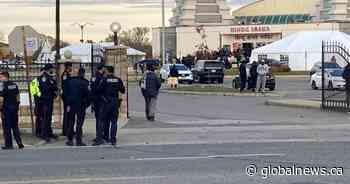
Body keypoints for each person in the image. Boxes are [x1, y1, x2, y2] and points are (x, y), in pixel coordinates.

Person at [93, 66, 125, 146]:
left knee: (101, 120)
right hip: (115, 102)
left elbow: (98, 90)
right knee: (114, 122)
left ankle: (100, 139)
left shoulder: (104, 79)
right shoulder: (118, 79)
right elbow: (123, 90)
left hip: (106, 102)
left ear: (107, 71)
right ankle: (113, 139)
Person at [64, 67, 90, 146]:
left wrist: (67, 103)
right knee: (79, 123)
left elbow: (65, 93)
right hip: (81, 105)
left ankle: (70, 140)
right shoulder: (85, 82)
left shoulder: (70, 81)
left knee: (71, 122)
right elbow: (88, 95)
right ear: (83, 74)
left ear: (78, 73)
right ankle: (78, 141)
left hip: (71, 104)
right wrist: (86, 104)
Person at [0, 71, 24, 150]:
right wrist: (17, 106)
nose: (0, 79)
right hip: (14, 108)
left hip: (6, 110)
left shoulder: (4, 86)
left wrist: (0, 108)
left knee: (7, 127)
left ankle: (9, 145)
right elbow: (18, 96)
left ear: (5, 77)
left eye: (1, 77)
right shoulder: (14, 85)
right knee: (15, 127)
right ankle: (19, 143)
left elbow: (1, 99)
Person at [38, 64, 59, 142]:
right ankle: (44, 134)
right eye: (51, 69)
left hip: (49, 100)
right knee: (45, 118)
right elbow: (45, 88)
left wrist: (53, 86)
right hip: (45, 100)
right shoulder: (43, 77)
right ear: (48, 69)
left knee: (49, 117)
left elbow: (54, 85)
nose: (52, 70)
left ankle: (49, 132)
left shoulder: (49, 77)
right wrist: (53, 86)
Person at [91, 64, 105, 142]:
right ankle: (100, 137)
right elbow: (102, 89)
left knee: (97, 119)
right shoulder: (101, 78)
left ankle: (98, 135)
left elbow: (91, 88)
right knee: (100, 119)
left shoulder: (93, 77)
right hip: (100, 100)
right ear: (102, 69)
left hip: (95, 100)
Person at [30, 69, 43, 138]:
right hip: (38, 102)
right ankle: (38, 132)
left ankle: (43, 131)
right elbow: (33, 92)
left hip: (43, 101)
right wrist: (39, 97)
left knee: (44, 118)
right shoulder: (34, 82)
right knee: (38, 117)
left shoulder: (44, 80)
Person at [61, 62, 72, 136]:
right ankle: (66, 131)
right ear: (68, 67)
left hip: (67, 96)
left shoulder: (67, 74)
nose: (71, 68)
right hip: (67, 97)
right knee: (67, 113)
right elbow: (65, 87)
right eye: (71, 67)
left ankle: (68, 129)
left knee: (69, 113)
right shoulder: (65, 75)